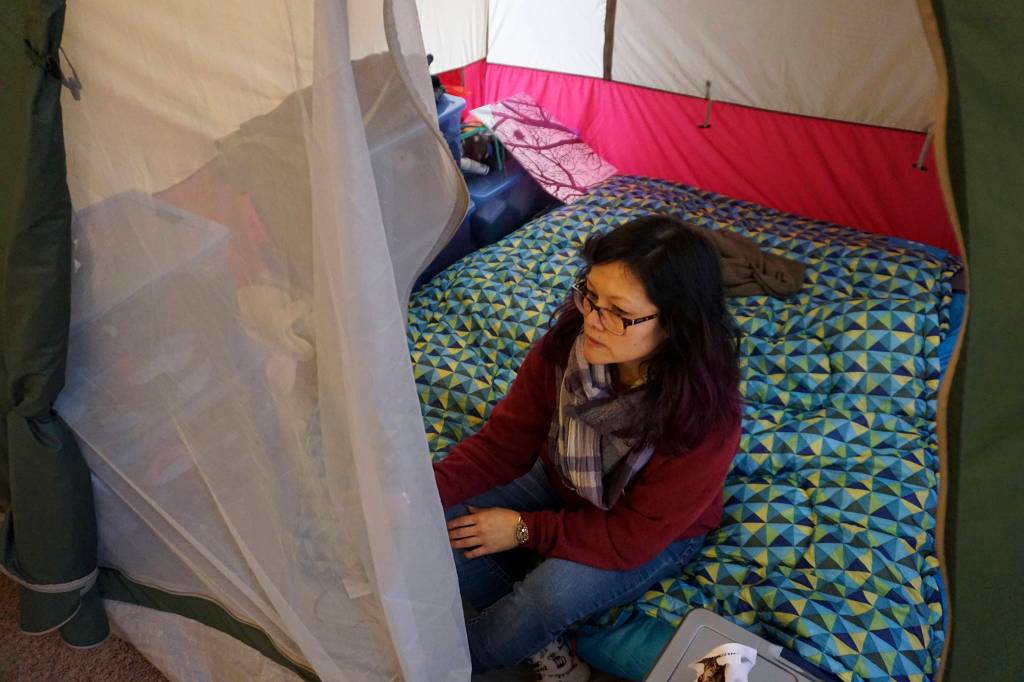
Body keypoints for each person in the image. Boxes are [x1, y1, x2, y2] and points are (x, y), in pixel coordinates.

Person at [433, 215, 743, 680]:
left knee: (549, 596)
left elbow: (633, 535)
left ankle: (449, 665)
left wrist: (524, 531)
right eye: (591, 296)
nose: (592, 321)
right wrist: (419, 493)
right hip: (562, 478)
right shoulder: (564, 348)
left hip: (653, 530)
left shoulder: (704, 415)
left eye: (619, 312)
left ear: (676, 323)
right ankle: (547, 640)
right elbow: (501, 447)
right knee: (435, 526)